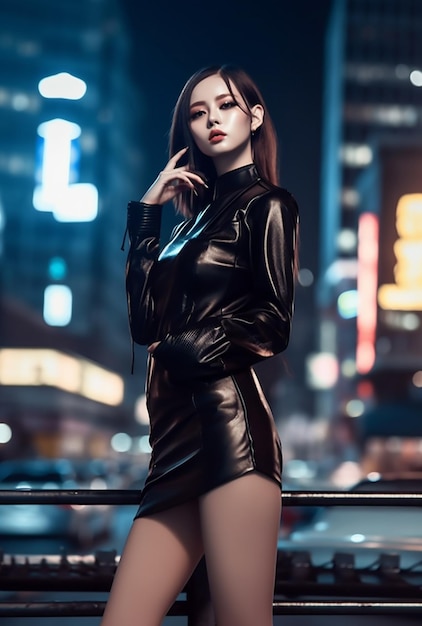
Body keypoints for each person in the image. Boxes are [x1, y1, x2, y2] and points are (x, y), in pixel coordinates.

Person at [101, 64, 299, 626]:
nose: (212, 119)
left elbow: (271, 323)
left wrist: (183, 350)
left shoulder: (269, 205)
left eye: (227, 106)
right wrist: (146, 217)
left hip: (230, 435)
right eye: (198, 111)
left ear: (254, 117)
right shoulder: (186, 224)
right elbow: (143, 325)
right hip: (171, 445)